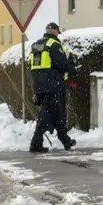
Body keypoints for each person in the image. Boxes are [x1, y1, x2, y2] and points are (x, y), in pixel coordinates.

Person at [29, 22, 76, 153]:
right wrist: (72, 69)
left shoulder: (37, 44)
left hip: (39, 83)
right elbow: (61, 63)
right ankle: (35, 143)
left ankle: (65, 140)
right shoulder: (54, 44)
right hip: (52, 84)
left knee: (58, 113)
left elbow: (32, 64)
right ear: (54, 31)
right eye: (57, 32)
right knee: (46, 114)